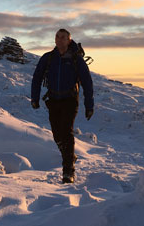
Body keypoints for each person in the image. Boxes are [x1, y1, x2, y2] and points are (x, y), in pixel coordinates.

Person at [30, 28, 94, 184]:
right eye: (57, 37)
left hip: (70, 99)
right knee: (57, 134)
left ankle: (68, 171)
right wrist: (35, 98)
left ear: (69, 40)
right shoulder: (48, 58)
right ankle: (70, 155)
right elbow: (37, 77)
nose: (59, 40)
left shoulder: (75, 59)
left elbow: (87, 82)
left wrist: (89, 105)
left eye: (63, 37)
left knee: (66, 132)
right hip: (53, 100)